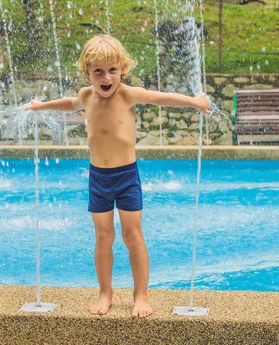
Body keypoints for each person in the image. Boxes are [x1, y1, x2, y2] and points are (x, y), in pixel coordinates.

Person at [25, 34, 210, 318]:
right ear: (87, 73)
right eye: (98, 71)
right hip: (98, 177)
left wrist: (194, 102)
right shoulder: (87, 95)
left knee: (133, 235)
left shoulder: (128, 94)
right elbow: (69, 103)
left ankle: (141, 295)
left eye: (112, 70)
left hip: (126, 176)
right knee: (103, 236)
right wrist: (41, 106)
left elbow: (162, 99)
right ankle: (105, 293)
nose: (106, 77)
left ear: (123, 69)